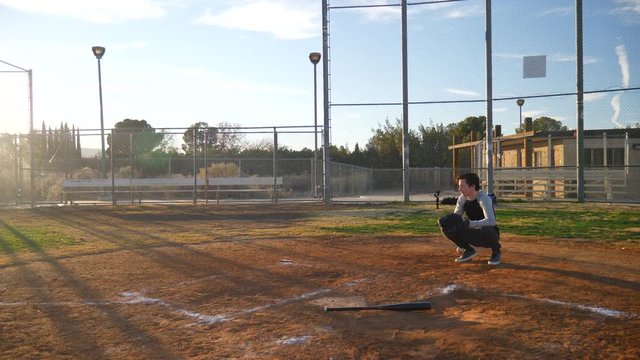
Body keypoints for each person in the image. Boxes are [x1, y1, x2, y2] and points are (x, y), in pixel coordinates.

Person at [440, 173, 501, 265]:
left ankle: (496, 252)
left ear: (472, 186)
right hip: (473, 231)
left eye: (462, 186)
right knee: (447, 227)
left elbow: (491, 221)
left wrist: (470, 224)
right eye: (459, 186)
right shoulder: (462, 198)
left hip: (489, 234)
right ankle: (468, 250)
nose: (459, 189)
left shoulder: (483, 198)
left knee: (487, 229)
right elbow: (456, 216)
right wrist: (449, 221)